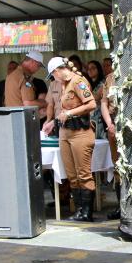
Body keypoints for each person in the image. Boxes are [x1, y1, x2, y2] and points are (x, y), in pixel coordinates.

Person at [42, 57, 97, 222]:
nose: (54, 79)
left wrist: (70, 114)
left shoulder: (78, 81)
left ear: (58, 70)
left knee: (83, 174)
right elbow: (63, 110)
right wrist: (53, 121)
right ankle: (79, 210)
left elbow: (91, 104)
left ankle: (87, 213)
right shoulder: (63, 84)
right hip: (65, 132)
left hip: (80, 132)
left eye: (53, 75)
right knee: (72, 174)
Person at [98, 69, 120, 220]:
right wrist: (109, 124)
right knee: (117, 166)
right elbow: (104, 103)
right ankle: (121, 207)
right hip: (114, 124)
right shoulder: (110, 78)